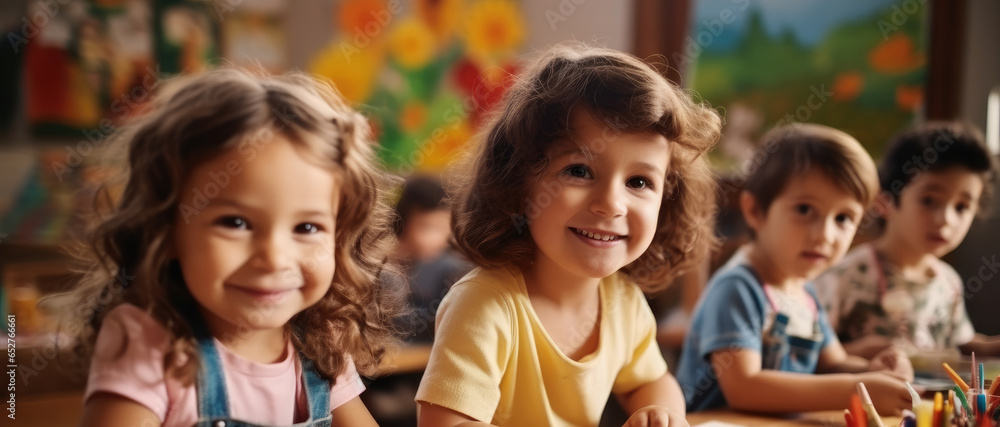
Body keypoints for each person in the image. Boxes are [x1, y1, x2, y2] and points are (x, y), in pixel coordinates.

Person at [64, 68, 403, 427]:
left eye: (306, 227)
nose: (274, 258)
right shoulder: (149, 343)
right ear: (165, 231)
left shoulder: (321, 339)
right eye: (236, 223)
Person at [415, 42, 722, 427]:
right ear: (518, 183)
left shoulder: (622, 302)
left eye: (639, 181)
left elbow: (650, 380)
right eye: (579, 170)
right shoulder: (484, 306)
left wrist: (661, 413)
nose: (611, 204)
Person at [676, 124, 914, 414]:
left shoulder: (804, 294)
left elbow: (833, 363)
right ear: (754, 211)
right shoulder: (738, 288)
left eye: (843, 218)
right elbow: (744, 387)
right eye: (804, 210)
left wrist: (873, 372)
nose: (824, 235)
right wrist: (858, 391)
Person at [814, 122, 1000, 358]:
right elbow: (810, 356)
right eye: (929, 200)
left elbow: (962, 345)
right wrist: (857, 353)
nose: (946, 219)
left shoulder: (948, 282)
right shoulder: (843, 276)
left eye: (962, 207)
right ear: (885, 202)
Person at [393, 175, 472, 343]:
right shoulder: (377, 267)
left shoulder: (445, 267)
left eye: (445, 230)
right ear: (400, 221)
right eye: (430, 228)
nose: (440, 240)